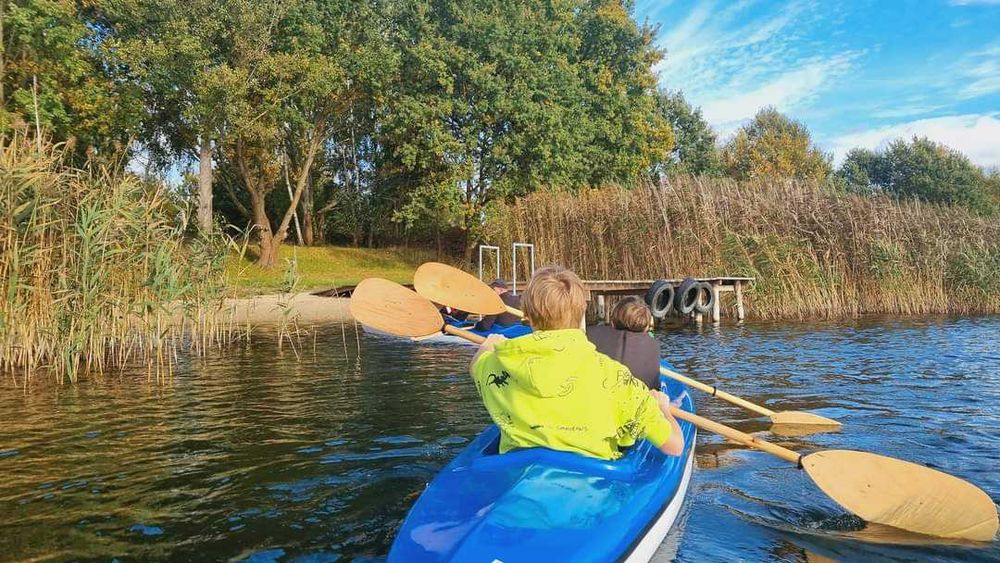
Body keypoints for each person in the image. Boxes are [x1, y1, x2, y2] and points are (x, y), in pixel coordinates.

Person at [470, 266, 684, 460]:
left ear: (527, 315)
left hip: (516, 468)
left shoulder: (499, 364)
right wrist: (663, 407)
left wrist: (489, 344)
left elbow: (475, 366)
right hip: (594, 484)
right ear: (581, 311)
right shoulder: (615, 377)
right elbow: (674, 446)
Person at [586, 296, 660, 390]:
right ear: (646, 327)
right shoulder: (654, 345)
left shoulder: (591, 334)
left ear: (613, 322)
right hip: (640, 400)